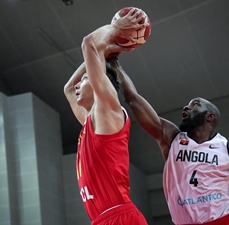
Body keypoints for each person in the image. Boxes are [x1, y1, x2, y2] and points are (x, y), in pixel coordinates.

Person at [107, 57, 229, 225]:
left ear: (210, 116)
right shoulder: (170, 138)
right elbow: (133, 98)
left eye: (195, 105)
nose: (186, 108)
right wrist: (114, 63)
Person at [63, 8, 149, 225]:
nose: (78, 85)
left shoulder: (108, 108)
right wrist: (106, 52)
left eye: (85, 79)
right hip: (102, 220)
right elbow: (68, 89)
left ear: (100, 82)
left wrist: (115, 29)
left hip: (120, 216)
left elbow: (89, 42)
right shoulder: (91, 124)